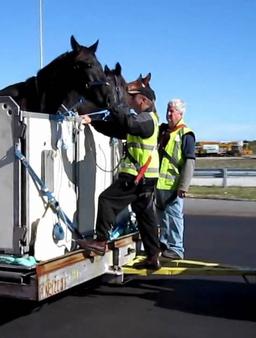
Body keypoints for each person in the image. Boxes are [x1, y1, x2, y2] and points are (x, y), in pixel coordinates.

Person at [76, 83, 162, 270]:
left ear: (144, 100)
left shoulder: (146, 119)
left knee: (106, 200)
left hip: (136, 176)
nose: (130, 100)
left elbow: (128, 123)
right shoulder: (146, 120)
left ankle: (100, 242)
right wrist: (94, 122)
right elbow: (117, 129)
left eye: (133, 97)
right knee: (145, 216)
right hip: (146, 177)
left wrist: (113, 104)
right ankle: (153, 256)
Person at [155, 99, 195, 260]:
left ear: (181, 113)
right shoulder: (163, 130)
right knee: (162, 216)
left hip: (173, 184)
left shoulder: (186, 134)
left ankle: (177, 248)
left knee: (175, 216)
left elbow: (189, 162)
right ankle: (164, 244)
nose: (169, 114)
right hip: (159, 183)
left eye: (172, 111)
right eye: (168, 110)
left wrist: (183, 186)